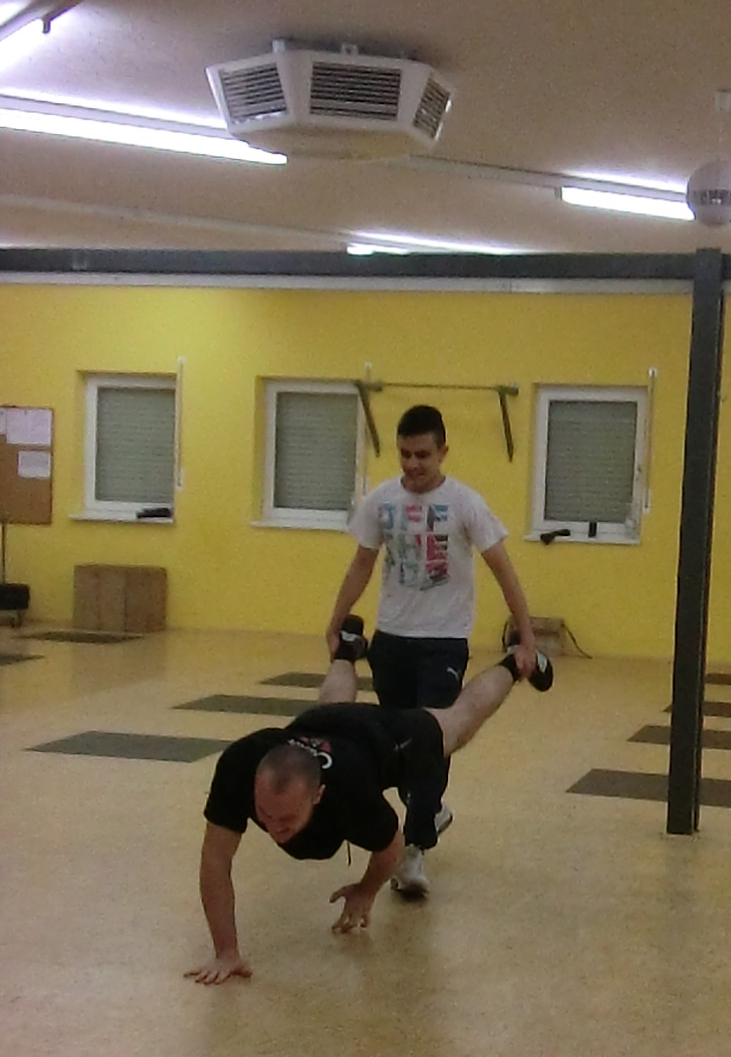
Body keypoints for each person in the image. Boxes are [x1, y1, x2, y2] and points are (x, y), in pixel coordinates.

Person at [185, 618, 553, 986]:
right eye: (264, 814)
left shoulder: (350, 793)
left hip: (386, 740)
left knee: (457, 723)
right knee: (331, 706)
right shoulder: (239, 765)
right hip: (321, 726)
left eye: (287, 820)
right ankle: (347, 647)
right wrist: (226, 951)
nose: (274, 829)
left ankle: (516, 660)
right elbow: (216, 859)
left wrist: (365, 890)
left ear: (318, 796)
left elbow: (392, 848)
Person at [324, 403, 539, 896]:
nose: (413, 464)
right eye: (405, 454)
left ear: (443, 451)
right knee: (402, 745)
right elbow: (361, 565)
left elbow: (502, 568)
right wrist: (335, 623)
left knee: (431, 738)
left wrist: (526, 636)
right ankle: (432, 809)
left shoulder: (465, 503)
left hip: (443, 640)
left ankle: (414, 847)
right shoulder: (382, 501)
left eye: (422, 454)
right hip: (392, 639)